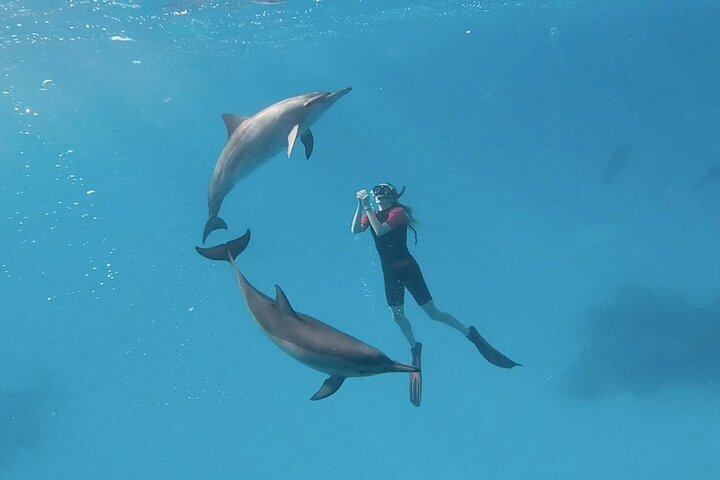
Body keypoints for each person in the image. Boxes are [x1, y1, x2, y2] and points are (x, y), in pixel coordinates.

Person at [351, 182, 520, 406]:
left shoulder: (397, 213)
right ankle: (414, 347)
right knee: (397, 315)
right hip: (389, 272)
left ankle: (469, 333)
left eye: (385, 194)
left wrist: (367, 207)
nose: (381, 197)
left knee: (432, 313)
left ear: (393, 197)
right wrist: (360, 207)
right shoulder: (372, 212)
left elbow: (381, 232)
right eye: (378, 194)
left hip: (408, 269)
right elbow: (355, 230)